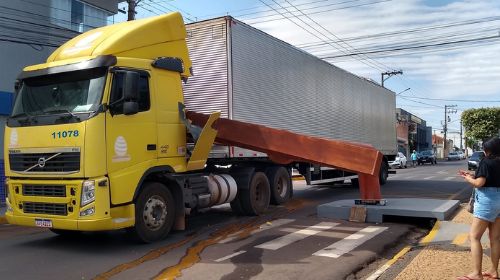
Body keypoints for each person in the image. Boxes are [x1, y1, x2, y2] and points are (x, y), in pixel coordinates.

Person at [458, 137, 500, 280]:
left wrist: (468, 179)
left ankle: (477, 274)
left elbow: (479, 183)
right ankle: (494, 271)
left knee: (474, 237)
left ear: (487, 150)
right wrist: (473, 175)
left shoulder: (485, 161)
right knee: (495, 238)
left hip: (488, 200)